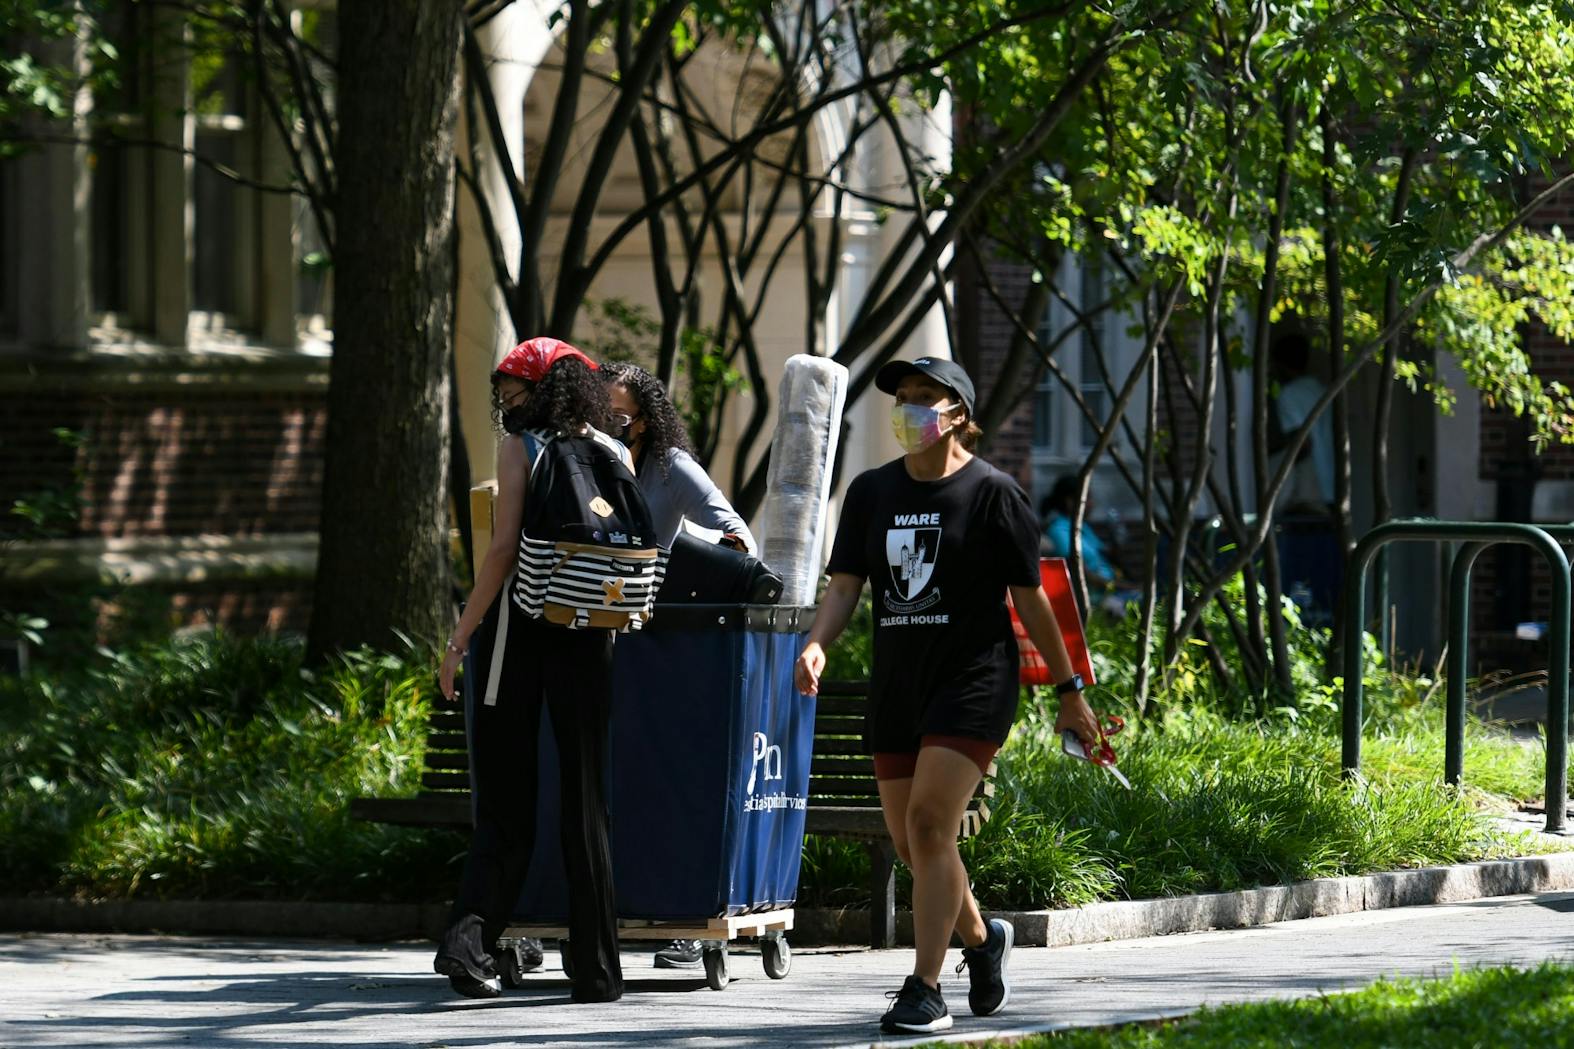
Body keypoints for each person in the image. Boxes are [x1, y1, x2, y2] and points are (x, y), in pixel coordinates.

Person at [794, 356, 1102, 1035]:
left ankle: (925, 989)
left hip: (973, 681)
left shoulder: (993, 493)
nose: (907, 409)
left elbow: (1032, 600)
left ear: (958, 412)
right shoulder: (872, 492)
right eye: (902, 397)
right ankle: (983, 938)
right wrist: (817, 641)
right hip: (899, 682)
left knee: (932, 826)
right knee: (914, 842)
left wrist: (1068, 689)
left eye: (923, 397)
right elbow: (846, 584)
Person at [434, 337, 628, 1004]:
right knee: (587, 804)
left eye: (514, 387)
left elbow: (502, 553)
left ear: (539, 388)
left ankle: (469, 944)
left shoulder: (522, 446)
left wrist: (460, 639)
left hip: (520, 635)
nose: (507, 400)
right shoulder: (614, 450)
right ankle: (599, 969)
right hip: (590, 639)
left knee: (507, 803)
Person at [597, 361, 758, 971]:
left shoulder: (670, 469)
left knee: (668, 780)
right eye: (602, 414)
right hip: (597, 639)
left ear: (646, 418)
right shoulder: (584, 462)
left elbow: (736, 536)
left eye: (621, 416)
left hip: (657, 644)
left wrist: (679, 579)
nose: (611, 426)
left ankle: (686, 923)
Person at [601, 362, 757, 556]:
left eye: (618, 417)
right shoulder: (569, 462)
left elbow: (734, 530)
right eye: (597, 412)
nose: (603, 425)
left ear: (643, 422)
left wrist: (736, 556)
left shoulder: (669, 466)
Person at [1040, 475, 1138, 616]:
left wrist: (1116, 538)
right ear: (1070, 501)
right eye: (1088, 499)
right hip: (1094, 599)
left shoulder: (1081, 526)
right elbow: (1084, 576)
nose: (1092, 504)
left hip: (1111, 591)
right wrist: (1128, 587)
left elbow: (1107, 555)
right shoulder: (1059, 531)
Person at [1268, 330, 1334, 512]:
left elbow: (1302, 444)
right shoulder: (1320, 390)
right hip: (1332, 484)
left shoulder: (1289, 395)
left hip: (1309, 491)